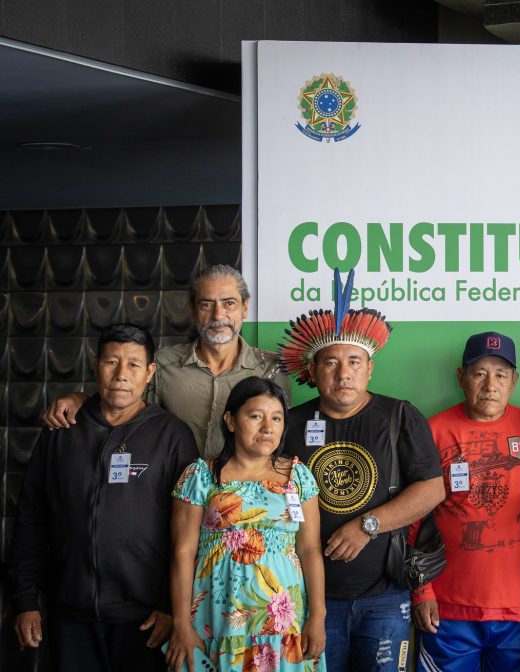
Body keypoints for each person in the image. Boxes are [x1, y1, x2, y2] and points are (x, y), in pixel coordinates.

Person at [280, 269, 444, 672]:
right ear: (313, 371)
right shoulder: (286, 422)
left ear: (370, 369)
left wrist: (366, 525)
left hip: (385, 596)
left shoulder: (400, 415)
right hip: (309, 598)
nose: (343, 372)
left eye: (354, 361)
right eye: (331, 362)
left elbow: (432, 489)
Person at [8, 323, 198, 672]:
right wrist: (25, 601)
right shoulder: (61, 432)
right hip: (69, 612)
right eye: (112, 362)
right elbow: (31, 518)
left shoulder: (172, 436)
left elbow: (187, 532)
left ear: (150, 372)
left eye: (134, 365)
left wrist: (170, 606)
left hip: (145, 618)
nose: (121, 374)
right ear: (95, 364)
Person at [42, 264, 291, 457]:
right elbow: (124, 408)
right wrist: (81, 399)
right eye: (207, 304)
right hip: (171, 499)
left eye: (229, 304)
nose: (218, 315)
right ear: (192, 311)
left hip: (242, 505)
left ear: (245, 308)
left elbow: (280, 439)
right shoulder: (161, 364)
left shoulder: (270, 369)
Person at [166, 376, 327, 672]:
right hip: (217, 618)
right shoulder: (200, 475)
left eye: (276, 418)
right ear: (230, 421)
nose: (268, 427)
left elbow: (310, 550)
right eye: (255, 416)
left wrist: (318, 615)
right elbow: (182, 552)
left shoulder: (298, 476)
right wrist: (180, 623)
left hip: (285, 620)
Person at [411, 331, 520, 671]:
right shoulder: (433, 431)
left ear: (514, 381)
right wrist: (422, 592)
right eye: (479, 373)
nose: (490, 384)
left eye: (501, 374)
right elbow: (413, 520)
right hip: (448, 609)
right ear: (461, 377)